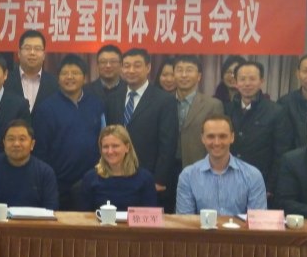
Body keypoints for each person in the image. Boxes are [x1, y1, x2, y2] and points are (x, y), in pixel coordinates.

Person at [33, 54, 106, 208]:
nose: (70, 77)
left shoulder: (96, 105)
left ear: (84, 78)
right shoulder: (46, 109)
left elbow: (104, 140)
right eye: (65, 73)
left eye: (75, 73)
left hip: (92, 182)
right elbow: (40, 151)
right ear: (58, 78)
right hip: (58, 184)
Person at [104, 48, 178, 199]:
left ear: (148, 67)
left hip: (149, 178)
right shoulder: (112, 99)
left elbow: (168, 143)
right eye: (127, 66)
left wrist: (159, 179)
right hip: (117, 176)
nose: (131, 70)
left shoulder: (164, 100)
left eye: (137, 65)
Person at [176, 115, 267, 216]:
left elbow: (257, 221)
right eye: (211, 136)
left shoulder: (253, 176)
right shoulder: (188, 176)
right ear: (202, 138)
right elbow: (185, 221)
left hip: (240, 228)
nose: (217, 142)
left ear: (232, 137)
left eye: (222, 136)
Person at [227, 60, 288, 195]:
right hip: (229, 179)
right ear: (236, 82)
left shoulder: (276, 111)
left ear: (261, 81)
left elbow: (280, 153)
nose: (247, 83)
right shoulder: (227, 109)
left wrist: (270, 186)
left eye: (252, 79)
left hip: (261, 182)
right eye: (242, 79)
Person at [0, 120, 59, 210]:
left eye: (22, 139)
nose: (16, 144)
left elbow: (51, 210)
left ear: (32, 144)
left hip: (36, 219)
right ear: (4, 143)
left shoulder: (45, 173)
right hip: (0, 219)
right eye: (11, 139)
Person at [76, 125, 158, 210]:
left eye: (115, 146)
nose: (110, 151)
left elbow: (151, 215)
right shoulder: (90, 178)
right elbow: (83, 215)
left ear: (127, 147)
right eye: (105, 147)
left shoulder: (145, 179)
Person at [174, 55, 225, 168]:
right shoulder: (163, 102)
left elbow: (217, 139)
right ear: (174, 74)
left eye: (189, 70)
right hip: (167, 167)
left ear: (199, 76)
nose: (184, 75)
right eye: (179, 70)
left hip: (199, 166)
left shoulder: (213, 105)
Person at [4, 29, 58, 112]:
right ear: (19, 53)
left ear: (44, 55)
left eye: (37, 49)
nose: (32, 53)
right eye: (27, 48)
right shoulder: (5, 81)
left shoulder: (55, 84)